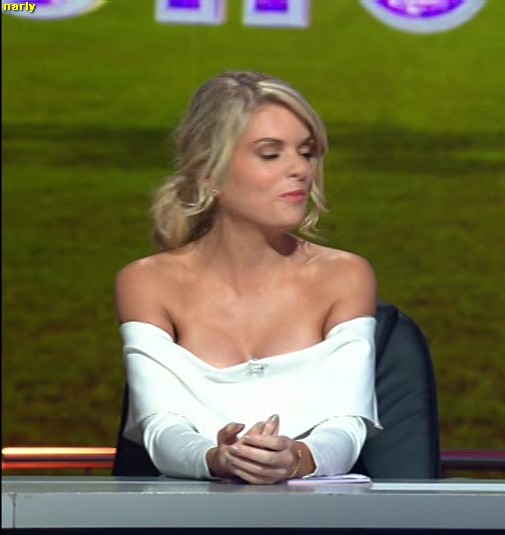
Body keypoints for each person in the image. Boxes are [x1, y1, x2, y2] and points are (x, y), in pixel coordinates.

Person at [115, 71, 379, 484]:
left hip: (317, 514)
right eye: (270, 154)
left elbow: (346, 425)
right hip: (189, 516)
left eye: (306, 152)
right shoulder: (148, 283)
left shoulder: (344, 276)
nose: (300, 169)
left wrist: (297, 459)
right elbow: (161, 426)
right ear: (210, 173)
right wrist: (216, 459)